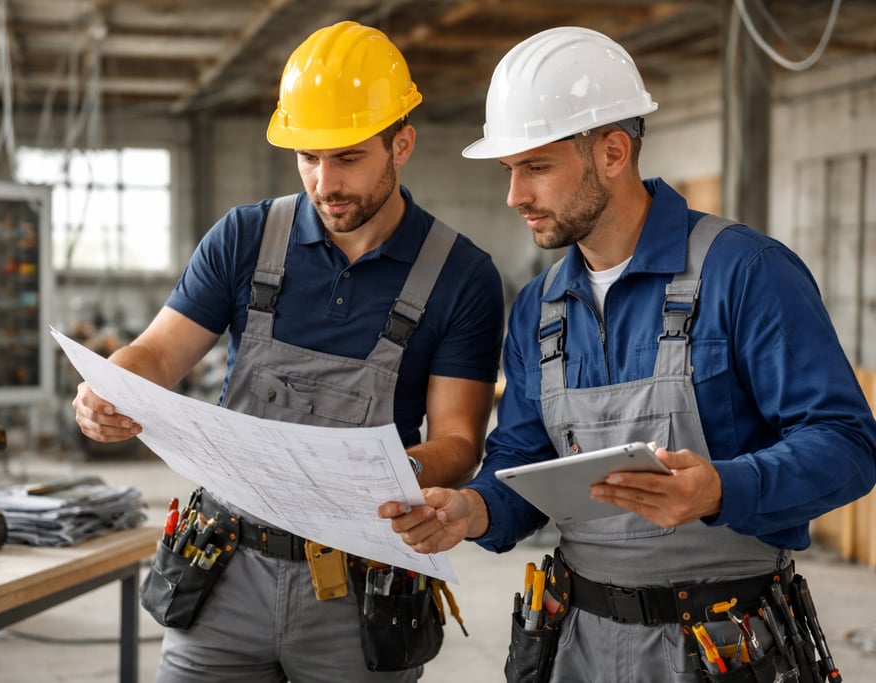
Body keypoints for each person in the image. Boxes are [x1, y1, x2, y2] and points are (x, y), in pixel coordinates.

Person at [382, 26, 876, 682]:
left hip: (724, 646)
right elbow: (523, 459)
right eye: (510, 171)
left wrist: (721, 487)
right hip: (577, 644)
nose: (515, 196)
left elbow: (846, 444)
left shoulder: (745, 273)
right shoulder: (541, 307)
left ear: (613, 151)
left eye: (536, 166)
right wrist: (473, 508)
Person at [72, 20, 504, 683]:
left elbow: (457, 440)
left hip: (360, 588)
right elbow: (156, 355)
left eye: (349, 157)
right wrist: (109, 390)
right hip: (222, 571)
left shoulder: (460, 274)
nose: (324, 182)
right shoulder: (245, 238)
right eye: (307, 156)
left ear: (402, 143)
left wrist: (385, 471)